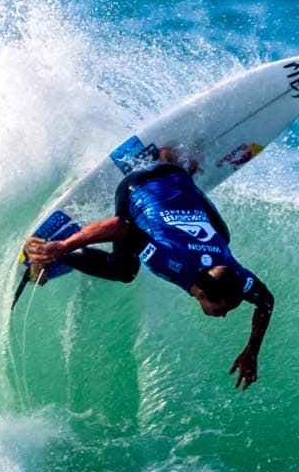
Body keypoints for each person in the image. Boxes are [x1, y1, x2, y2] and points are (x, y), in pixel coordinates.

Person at [23, 148, 275, 390]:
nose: (224, 315)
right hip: (135, 188)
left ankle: (169, 160)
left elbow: (265, 300)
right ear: (201, 294)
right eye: (221, 309)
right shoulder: (167, 261)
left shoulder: (234, 272)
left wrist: (251, 352)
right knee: (124, 270)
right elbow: (120, 226)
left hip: (176, 178)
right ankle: (50, 252)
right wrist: (64, 244)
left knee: (223, 237)